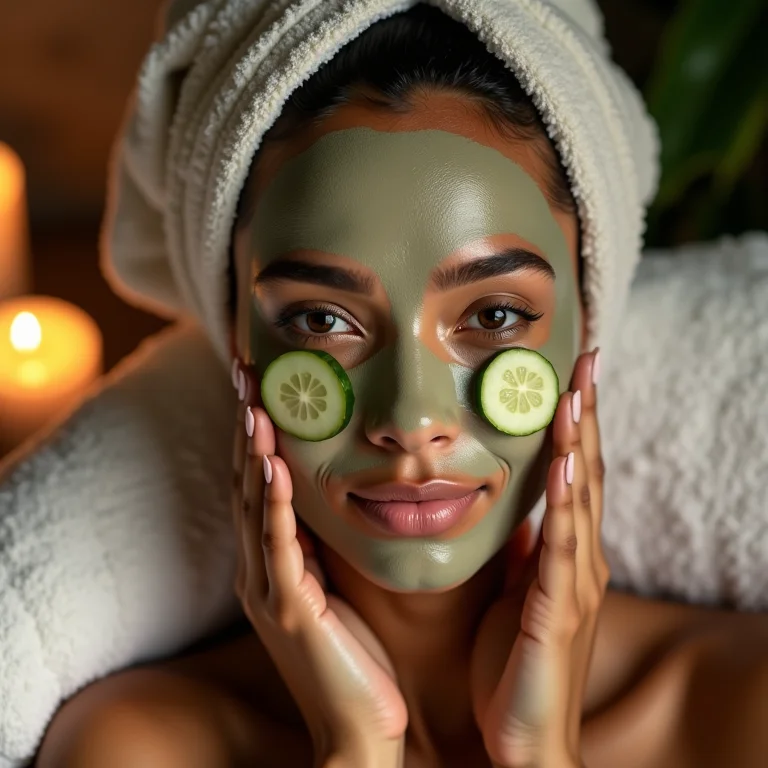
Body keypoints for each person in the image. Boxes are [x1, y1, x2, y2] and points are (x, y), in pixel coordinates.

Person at [35, 5, 768, 768]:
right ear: (234, 341)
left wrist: (541, 753)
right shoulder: (138, 748)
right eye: (321, 320)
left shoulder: (742, 711)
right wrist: (354, 750)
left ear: (588, 323)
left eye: (493, 313)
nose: (412, 421)